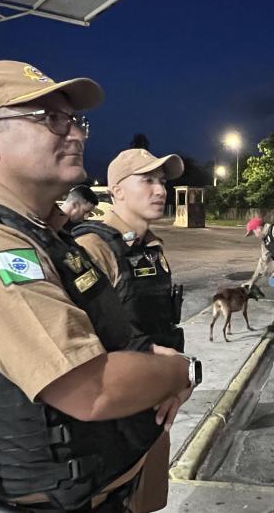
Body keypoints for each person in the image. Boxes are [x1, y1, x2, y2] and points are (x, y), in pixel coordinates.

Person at [0, 60, 200, 513]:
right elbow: (91, 388)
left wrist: (154, 365)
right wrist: (182, 371)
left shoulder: (45, 237)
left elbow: (118, 336)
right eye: (51, 119)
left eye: (76, 121)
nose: (75, 134)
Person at [73, 148, 186, 510]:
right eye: (147, 180)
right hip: (112, 415)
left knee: (146, 503)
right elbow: (82, 341)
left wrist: (172, 383)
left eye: (163, 181)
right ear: (116, 190)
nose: (160, 190)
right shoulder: (92, 247)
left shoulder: (150, 246)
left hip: (153, 407)